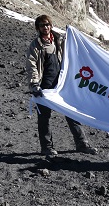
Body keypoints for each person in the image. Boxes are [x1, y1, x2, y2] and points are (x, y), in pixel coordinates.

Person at [26, 15, 97, 157]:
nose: (45, 27)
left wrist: (71, 33)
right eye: (41, 25)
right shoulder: (36, 45)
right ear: (38, 28)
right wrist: (34, 84)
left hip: (62, 84)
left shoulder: (59, 40)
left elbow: (73, 50)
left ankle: (82, 144)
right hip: (44, 86)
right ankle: (46, 147)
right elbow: (32, 65)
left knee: (72, 113)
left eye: (47, 24)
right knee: (44, 117)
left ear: (51, 25)